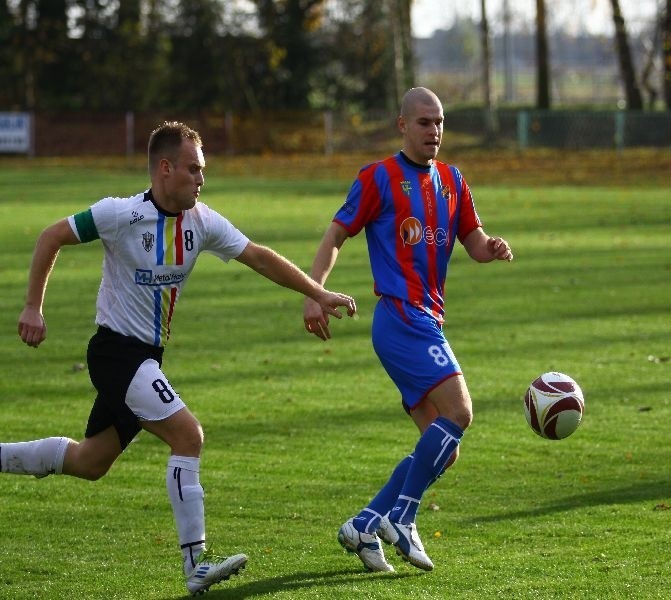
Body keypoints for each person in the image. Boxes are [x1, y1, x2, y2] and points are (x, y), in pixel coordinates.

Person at [6, 121, 357, 595]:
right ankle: (196, 563)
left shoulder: (201, 222)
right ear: (164, 168)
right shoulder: (119, 214)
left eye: (203, 170)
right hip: (116, 354)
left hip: (146, 357)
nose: (201, 179)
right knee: (188, 435)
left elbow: (258, 256)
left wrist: (318, 292)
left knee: (91, 461)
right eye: (193, 169)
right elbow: (51, 236)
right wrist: (33, 306)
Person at [302, 87, 513, 573]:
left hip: (425, 319)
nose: (433, 131)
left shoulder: (453, 181)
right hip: (401, 316)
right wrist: (314, 291)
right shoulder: (378, 177)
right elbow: (336, 234)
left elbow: (473, 242)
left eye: (439, 122)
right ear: (402, 125)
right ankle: (403, 516)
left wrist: (492, 247)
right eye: (423, 122)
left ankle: (365, 523)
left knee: (442, 450)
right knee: (460, 412)